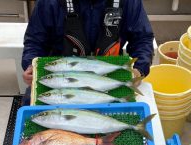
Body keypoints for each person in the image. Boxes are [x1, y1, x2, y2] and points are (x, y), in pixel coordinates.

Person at [22, 0, 154, 105]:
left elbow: (142, 39)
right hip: (59, 74)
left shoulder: (129, 2)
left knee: (131, 107)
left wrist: (139, 69)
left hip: (110, 74)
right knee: (31, 102)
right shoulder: (49, 3)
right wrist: (30, 65)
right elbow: (35, 41)